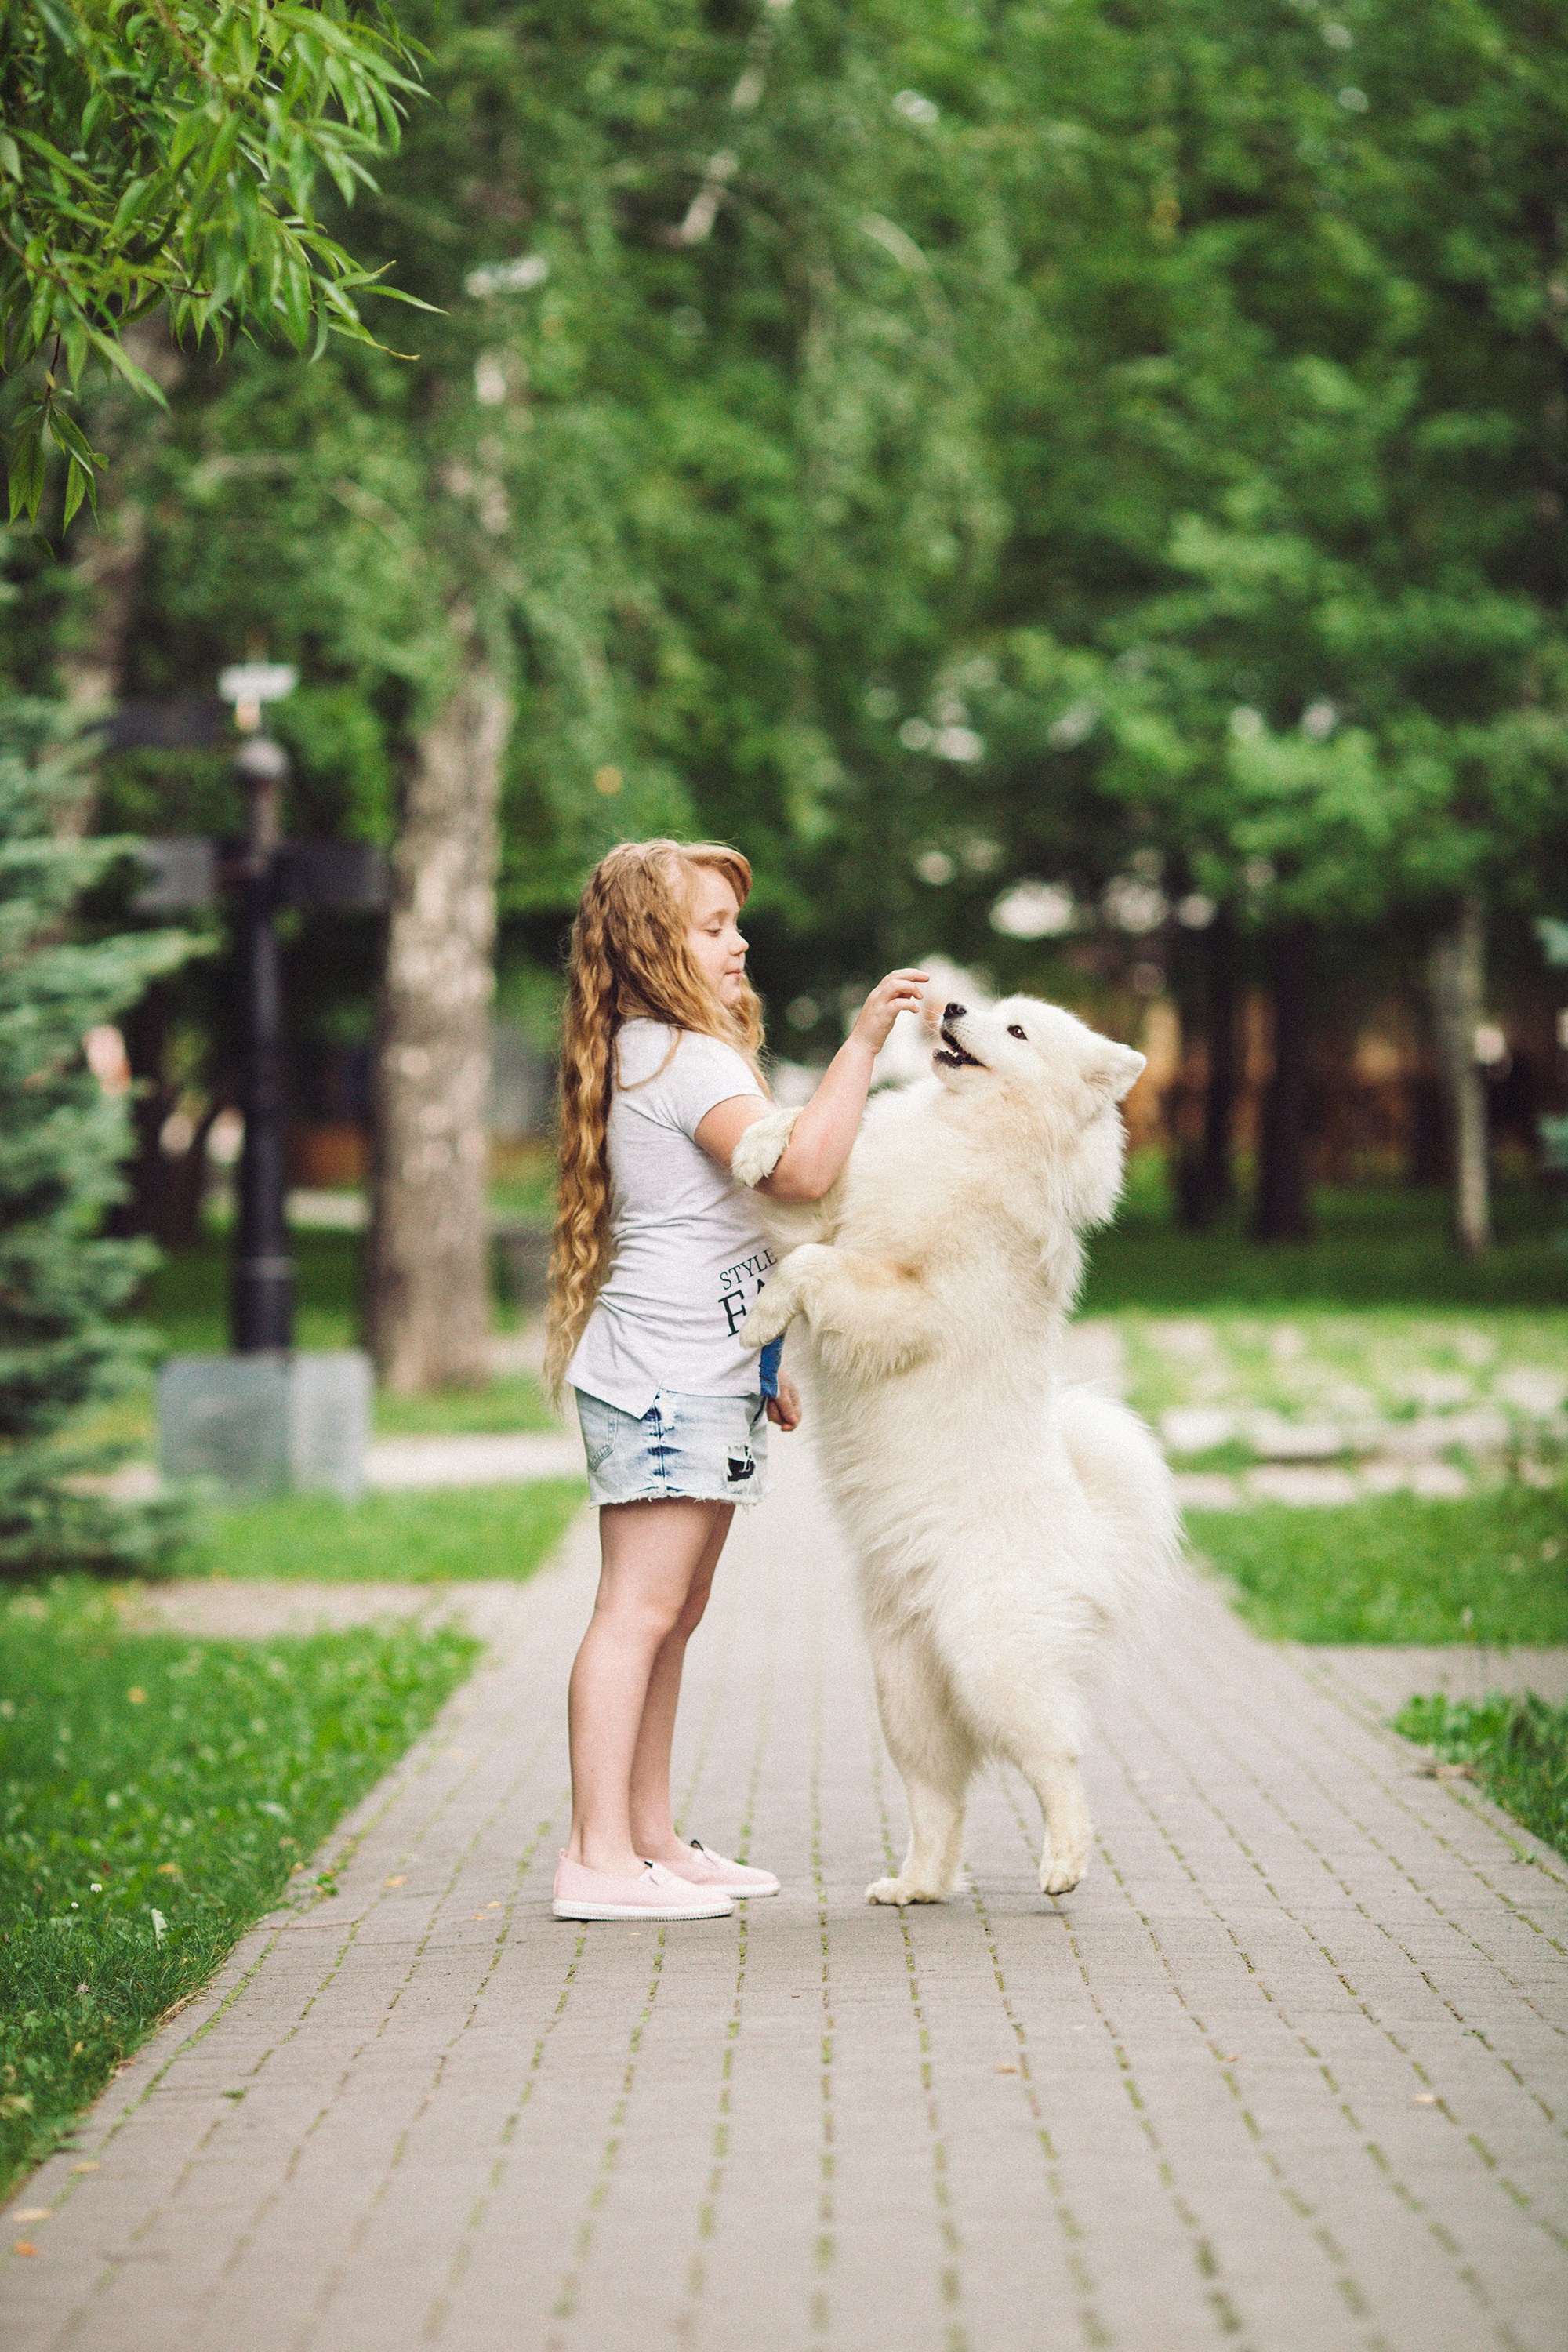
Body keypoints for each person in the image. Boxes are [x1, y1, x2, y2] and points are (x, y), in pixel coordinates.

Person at [545, 837, 928, 1922]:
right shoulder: (683, 1058)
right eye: (712, 927)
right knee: (639, 1610)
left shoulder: (656, 1051)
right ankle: (596, 1860)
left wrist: (763, 1357)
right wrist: (863, 1042)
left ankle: (648, 1840)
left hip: (694, 1371)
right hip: (665, 1375)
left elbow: (729, 1229)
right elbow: (802, 1170)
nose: (737, 941)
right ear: (655, 945)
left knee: (673, 1610)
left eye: (732, 923)